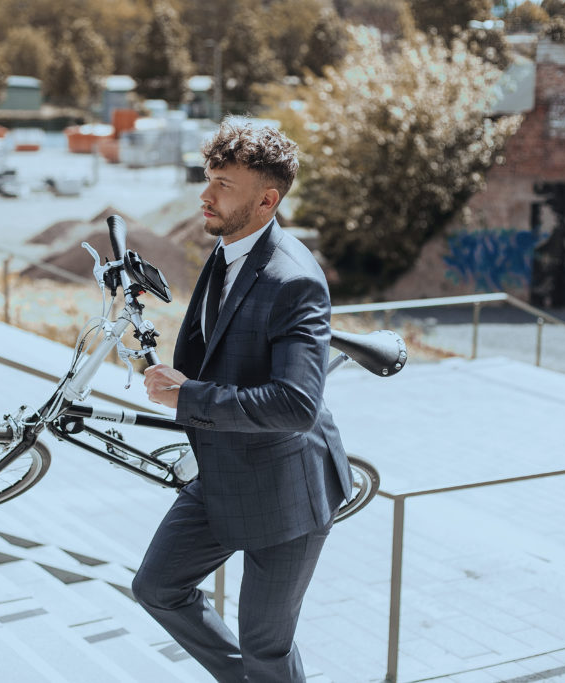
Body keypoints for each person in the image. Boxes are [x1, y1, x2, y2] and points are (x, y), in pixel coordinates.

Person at [136, 118, 352, 682]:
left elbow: (296, 404)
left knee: (267, 646)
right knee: (157, 587)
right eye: (208, 178)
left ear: (267, 199)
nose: (205, 195)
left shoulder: (294, 280)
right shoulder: (228, 245)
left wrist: (192, 397)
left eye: (223, 184)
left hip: (287, 493)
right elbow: (220, 342)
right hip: (224, 469)